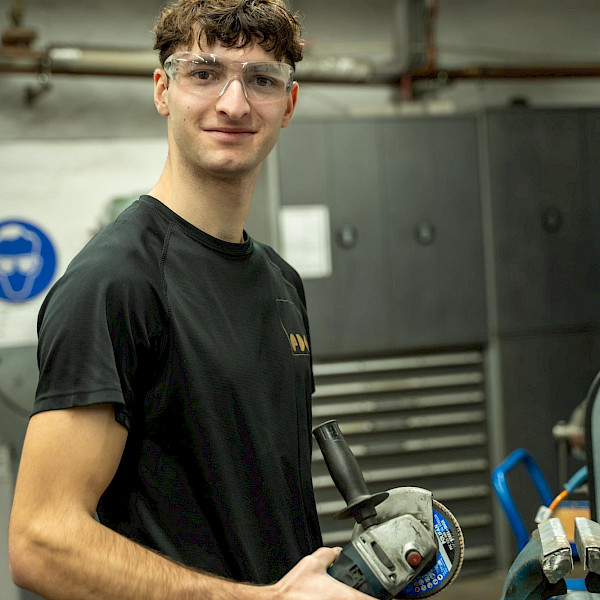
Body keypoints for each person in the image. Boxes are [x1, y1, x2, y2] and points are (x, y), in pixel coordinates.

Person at [8, 1, 372, 599]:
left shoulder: (281, 282)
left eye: (262, 80)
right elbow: (41, 541)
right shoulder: (115, 282)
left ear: (289, 104)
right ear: (163, 90)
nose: (234, 103)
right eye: (204, 73)